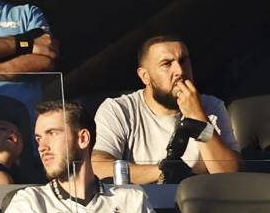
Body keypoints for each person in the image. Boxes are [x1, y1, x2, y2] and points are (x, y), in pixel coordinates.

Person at [0, 100, 172, 213]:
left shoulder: (131, 198)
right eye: (38, 139)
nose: (42, 147)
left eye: (52, 134)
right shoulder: (30, 200)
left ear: (83, 139)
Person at [93, 35, 240, 184]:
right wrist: (164, 171)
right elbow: (98, 167)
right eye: (166, 64)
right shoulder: (120, 110)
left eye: (183, 61)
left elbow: (232, 176)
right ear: (145, 77)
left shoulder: (211, 107)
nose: (180, 71)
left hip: (196, 204)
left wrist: (199, 118)